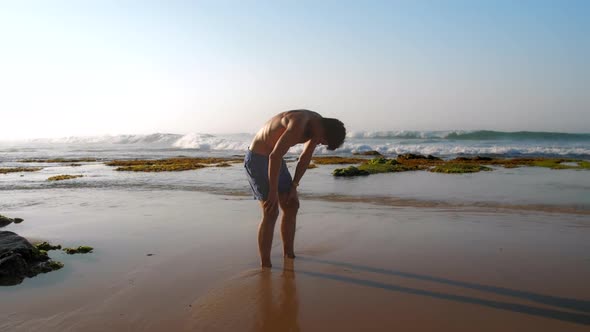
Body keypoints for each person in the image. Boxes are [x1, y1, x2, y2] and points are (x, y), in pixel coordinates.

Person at [244, 110, 346, 268]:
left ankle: (289, 255)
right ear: (323, 129)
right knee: (271, 211)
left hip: (275, 158)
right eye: (322, 140)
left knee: (292, 204)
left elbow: (305, 157)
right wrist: (272, 193)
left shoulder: (317, 127)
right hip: (258, 157)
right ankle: (266, 264)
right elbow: (274, 156)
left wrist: (294, 186)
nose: (319, 142)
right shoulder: (299, 123)